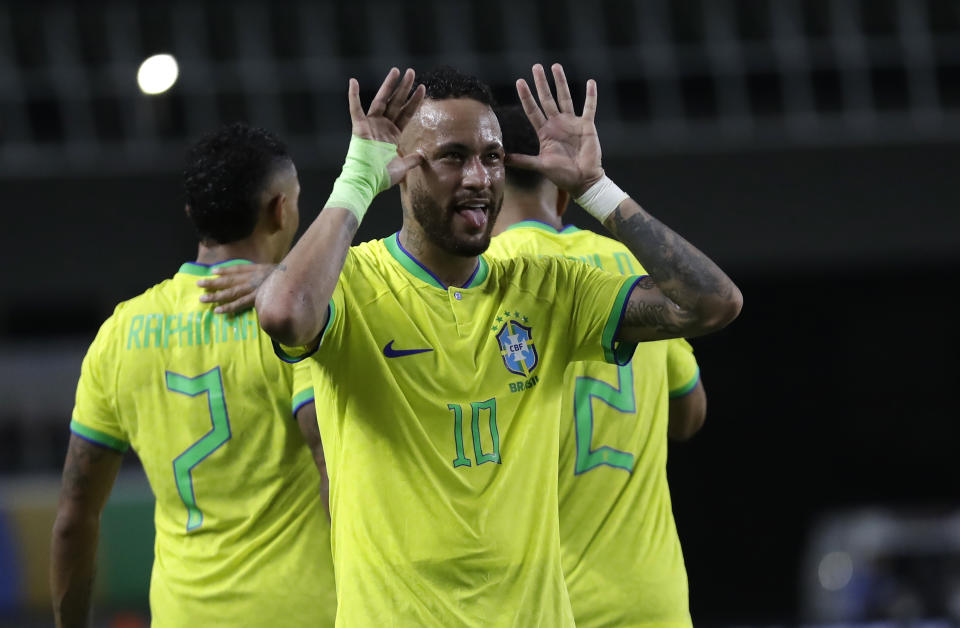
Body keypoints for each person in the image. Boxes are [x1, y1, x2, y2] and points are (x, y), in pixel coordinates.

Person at [255, 63, 741, 626]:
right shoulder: (356, 285)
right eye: (452, 157)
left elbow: (713, 304)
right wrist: (356, 183)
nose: (479, 177)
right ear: (403, 169)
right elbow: (285, 314)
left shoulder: (548, 288)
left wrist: (597, 191)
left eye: (490, 157)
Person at [50, 123, 336, 628]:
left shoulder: (120, 332)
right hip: (302, 613)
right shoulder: (292, 323)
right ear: (280, 209)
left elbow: (75, 519)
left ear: (193, 215)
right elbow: (336, 472)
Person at [486, 103, 707, 626]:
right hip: (647, 601)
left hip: (533, 605)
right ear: (561, 193)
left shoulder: (477, 282)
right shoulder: (631, 267)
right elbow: (690, 413)